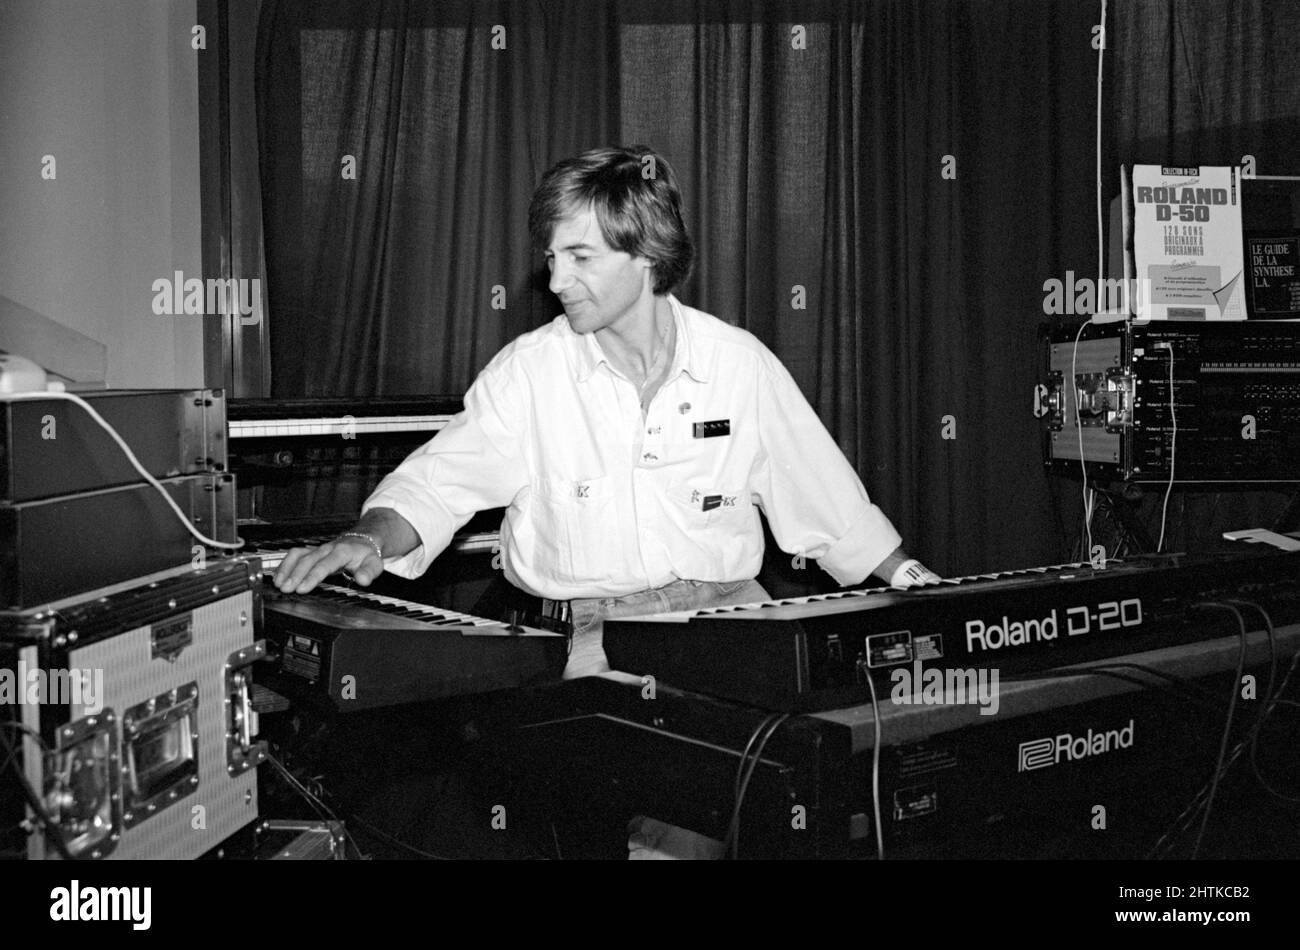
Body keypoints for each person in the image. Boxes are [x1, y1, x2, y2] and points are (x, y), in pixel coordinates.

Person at [273, 144, 939, 855]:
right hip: (591, 643)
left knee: (793, 797)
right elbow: (435, 483)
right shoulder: (532, 374)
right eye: (552, 255)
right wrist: (369, 539)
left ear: (645, 254)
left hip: (732, 628)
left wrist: (924, 589)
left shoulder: (737, 364)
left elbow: (831, 506)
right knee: (660, 822)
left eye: (580, 256)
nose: (556, 277)